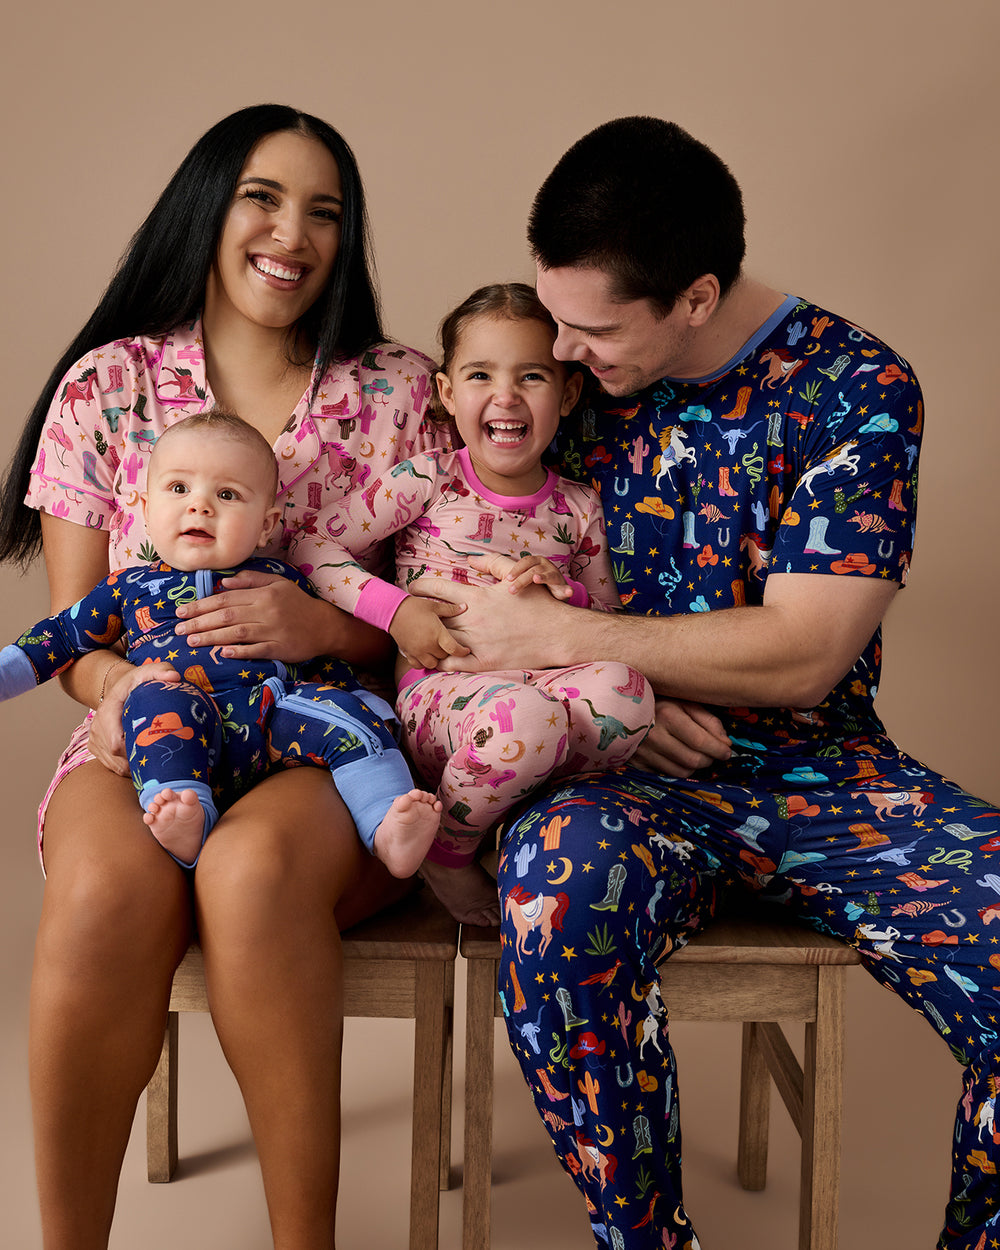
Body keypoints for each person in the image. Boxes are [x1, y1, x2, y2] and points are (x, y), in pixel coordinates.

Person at [418, 118, 1000, 1250]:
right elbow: (455, 542)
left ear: (694, 295)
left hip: (823, 774)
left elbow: (802, 651)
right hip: (609, 768)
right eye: (555, 320)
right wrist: (600, 684)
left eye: (592, 330)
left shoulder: (855, 387)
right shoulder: (562, 372)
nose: (564, 353)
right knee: (557, 892)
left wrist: (573, 637)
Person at [0, 104, 448, 1247]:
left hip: (326, 741)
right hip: (147, 729)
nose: (290, 231)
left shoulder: (400, 392)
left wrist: (322, 627)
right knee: (105, 888)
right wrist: (118, 696)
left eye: (325, 210)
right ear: (209, 204)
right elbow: (74, 636)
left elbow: (441, 622)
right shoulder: (109, 386)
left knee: (248, 872)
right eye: (262, 195)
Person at [290, 283, 655, 924]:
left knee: (627, 695)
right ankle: (449, 853)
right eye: (481, 374)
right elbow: (313, 548)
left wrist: (559, 596)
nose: (506, 395)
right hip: (443, 696)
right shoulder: (428, 479)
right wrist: (396, 611)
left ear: (568, 393)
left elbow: (606, 623)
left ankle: (510, 814)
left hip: (539, 688)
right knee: (530, 720)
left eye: (533, 375)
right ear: (447, 393)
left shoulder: (579, 506)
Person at [0, 410, 441, 873]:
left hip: (274, 719)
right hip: (184, 720)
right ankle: (182, 811)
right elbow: (60, 636)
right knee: (151, 700)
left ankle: (386, 824)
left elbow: (324, 656)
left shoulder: (285, 582)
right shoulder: (127, 587)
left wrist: (346, 694)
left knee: (348, 714)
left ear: (267, 524)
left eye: (227, 495)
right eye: (178, 489)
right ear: (146, 508)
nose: (200, 506)